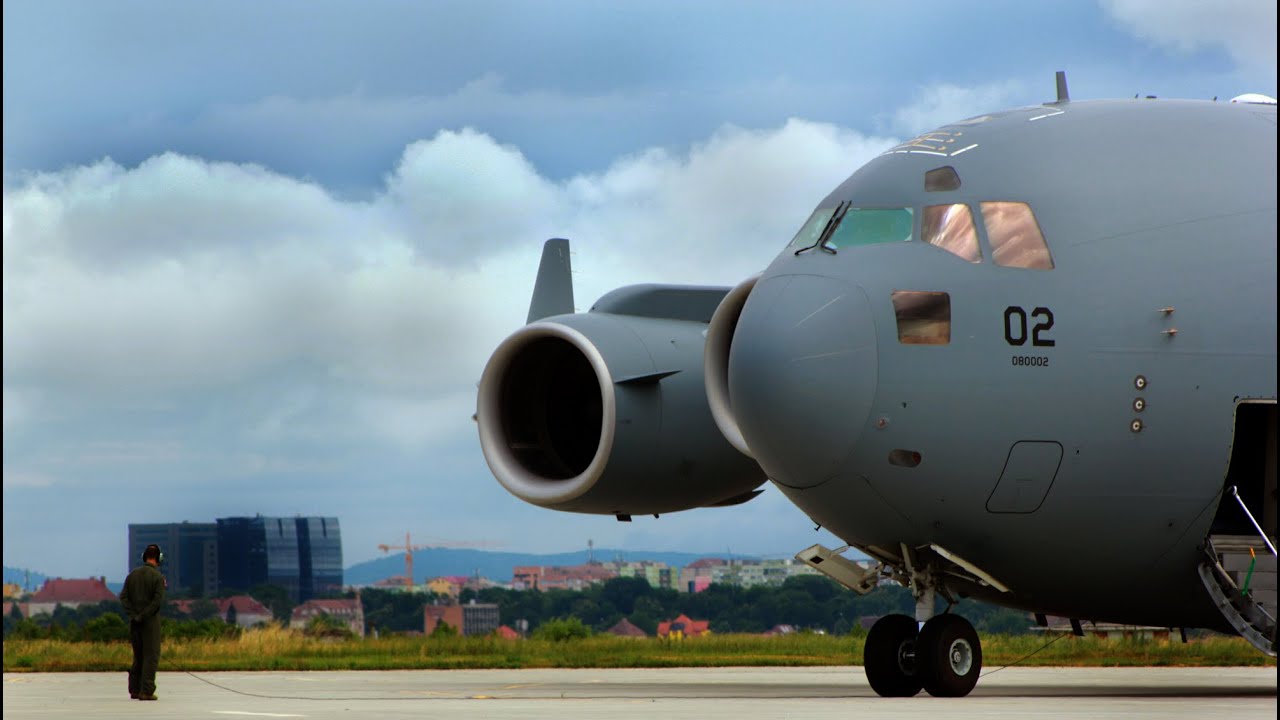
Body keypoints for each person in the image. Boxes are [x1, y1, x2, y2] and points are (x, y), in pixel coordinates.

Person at [119, 544, 167, 700]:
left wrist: (133, 615)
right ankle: (146, 690)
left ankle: (134, 688)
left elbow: (124, 597)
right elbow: (156, 603)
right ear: (158, 558)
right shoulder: (158, 578)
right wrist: (143, 616)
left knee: (138, 655)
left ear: (144, 556)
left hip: (134, 623)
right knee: (151, 656)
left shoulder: (132, 575)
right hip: (150, 623)